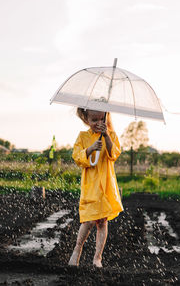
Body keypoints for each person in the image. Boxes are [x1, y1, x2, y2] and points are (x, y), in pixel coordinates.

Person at [68, 108, 123, 267]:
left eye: (101, 119)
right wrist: (91, 148)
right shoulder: (83, 137)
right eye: (94, 120)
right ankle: (77, 249)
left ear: (106, 117)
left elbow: (114, 154)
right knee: (88, 221)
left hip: (105, 185)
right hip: (91, 185)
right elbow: (78, 157)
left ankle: (97, 258)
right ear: (86, 119)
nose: (98, 123)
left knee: (102, 222)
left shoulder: (111, 135)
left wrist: (106, 137)